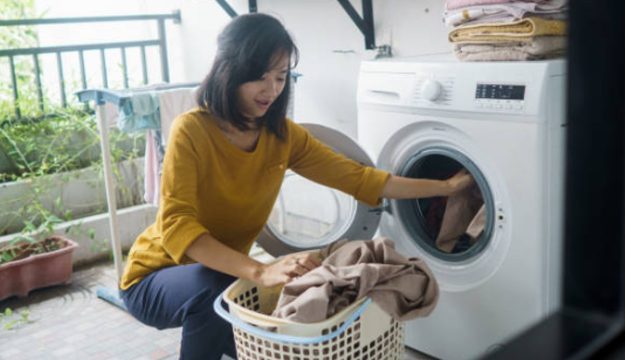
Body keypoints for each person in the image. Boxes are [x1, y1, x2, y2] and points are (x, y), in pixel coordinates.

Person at [119, 13, 473, 360]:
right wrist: (260, 271)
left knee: (273, 342)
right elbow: (178, 225)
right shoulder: (191, 130)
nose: (272, 89)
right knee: (218, 291)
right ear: (230, 71)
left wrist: (444, 187)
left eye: (281, 76)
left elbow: (361, 178)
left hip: (219, 275)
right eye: (260, 76)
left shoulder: (282, 137)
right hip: (154, 277)